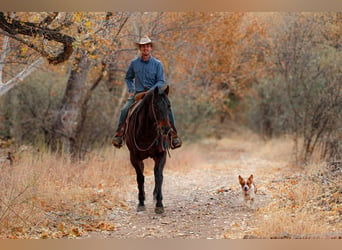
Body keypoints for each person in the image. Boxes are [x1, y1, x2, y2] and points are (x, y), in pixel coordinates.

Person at [112, 36, 182, 149]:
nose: (146, 48)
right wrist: (131, 90)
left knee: (168, 109)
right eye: (143, 46)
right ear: (140, 48)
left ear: (151, 48)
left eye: (148, 46)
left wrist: (151, 91)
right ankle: (119, 135)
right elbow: (128, 78)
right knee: (125, 109)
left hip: (155, 95)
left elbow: (161, 81)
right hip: (138, 95)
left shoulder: (157, 64)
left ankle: (174, 135)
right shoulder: (134, 63)